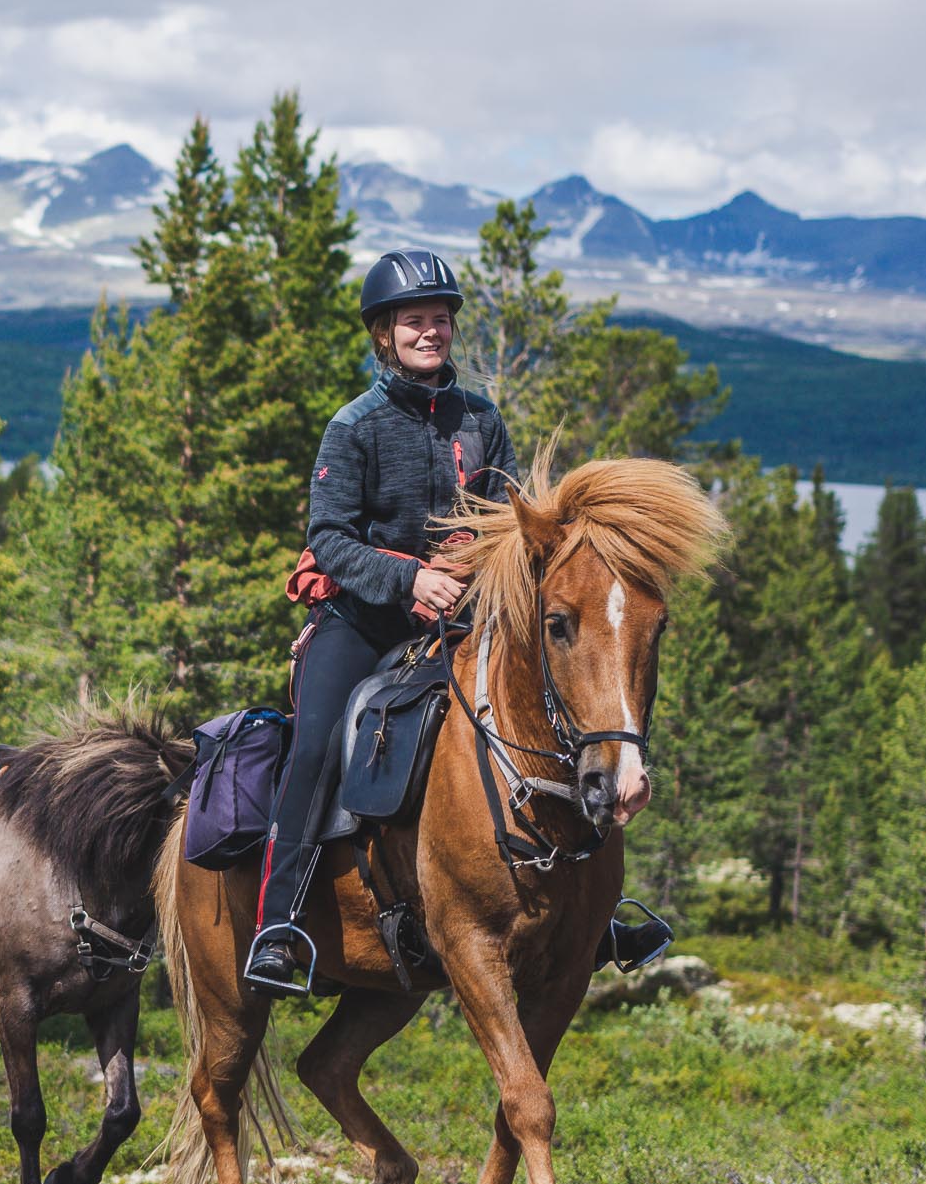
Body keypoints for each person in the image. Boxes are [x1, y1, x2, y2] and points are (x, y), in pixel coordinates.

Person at [243, 250, 667, 995]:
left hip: (466, 617)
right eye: (414, 321)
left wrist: (483, 560)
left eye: (440, 319)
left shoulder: (481, 419)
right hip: (364, 621)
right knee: (314, 745)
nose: (430, 331)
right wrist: (412, 576)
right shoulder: (356, 427)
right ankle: (277, 925)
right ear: (384, 334)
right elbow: (331, 538)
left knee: (558, 715)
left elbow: (505, 517)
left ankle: (594, 919)